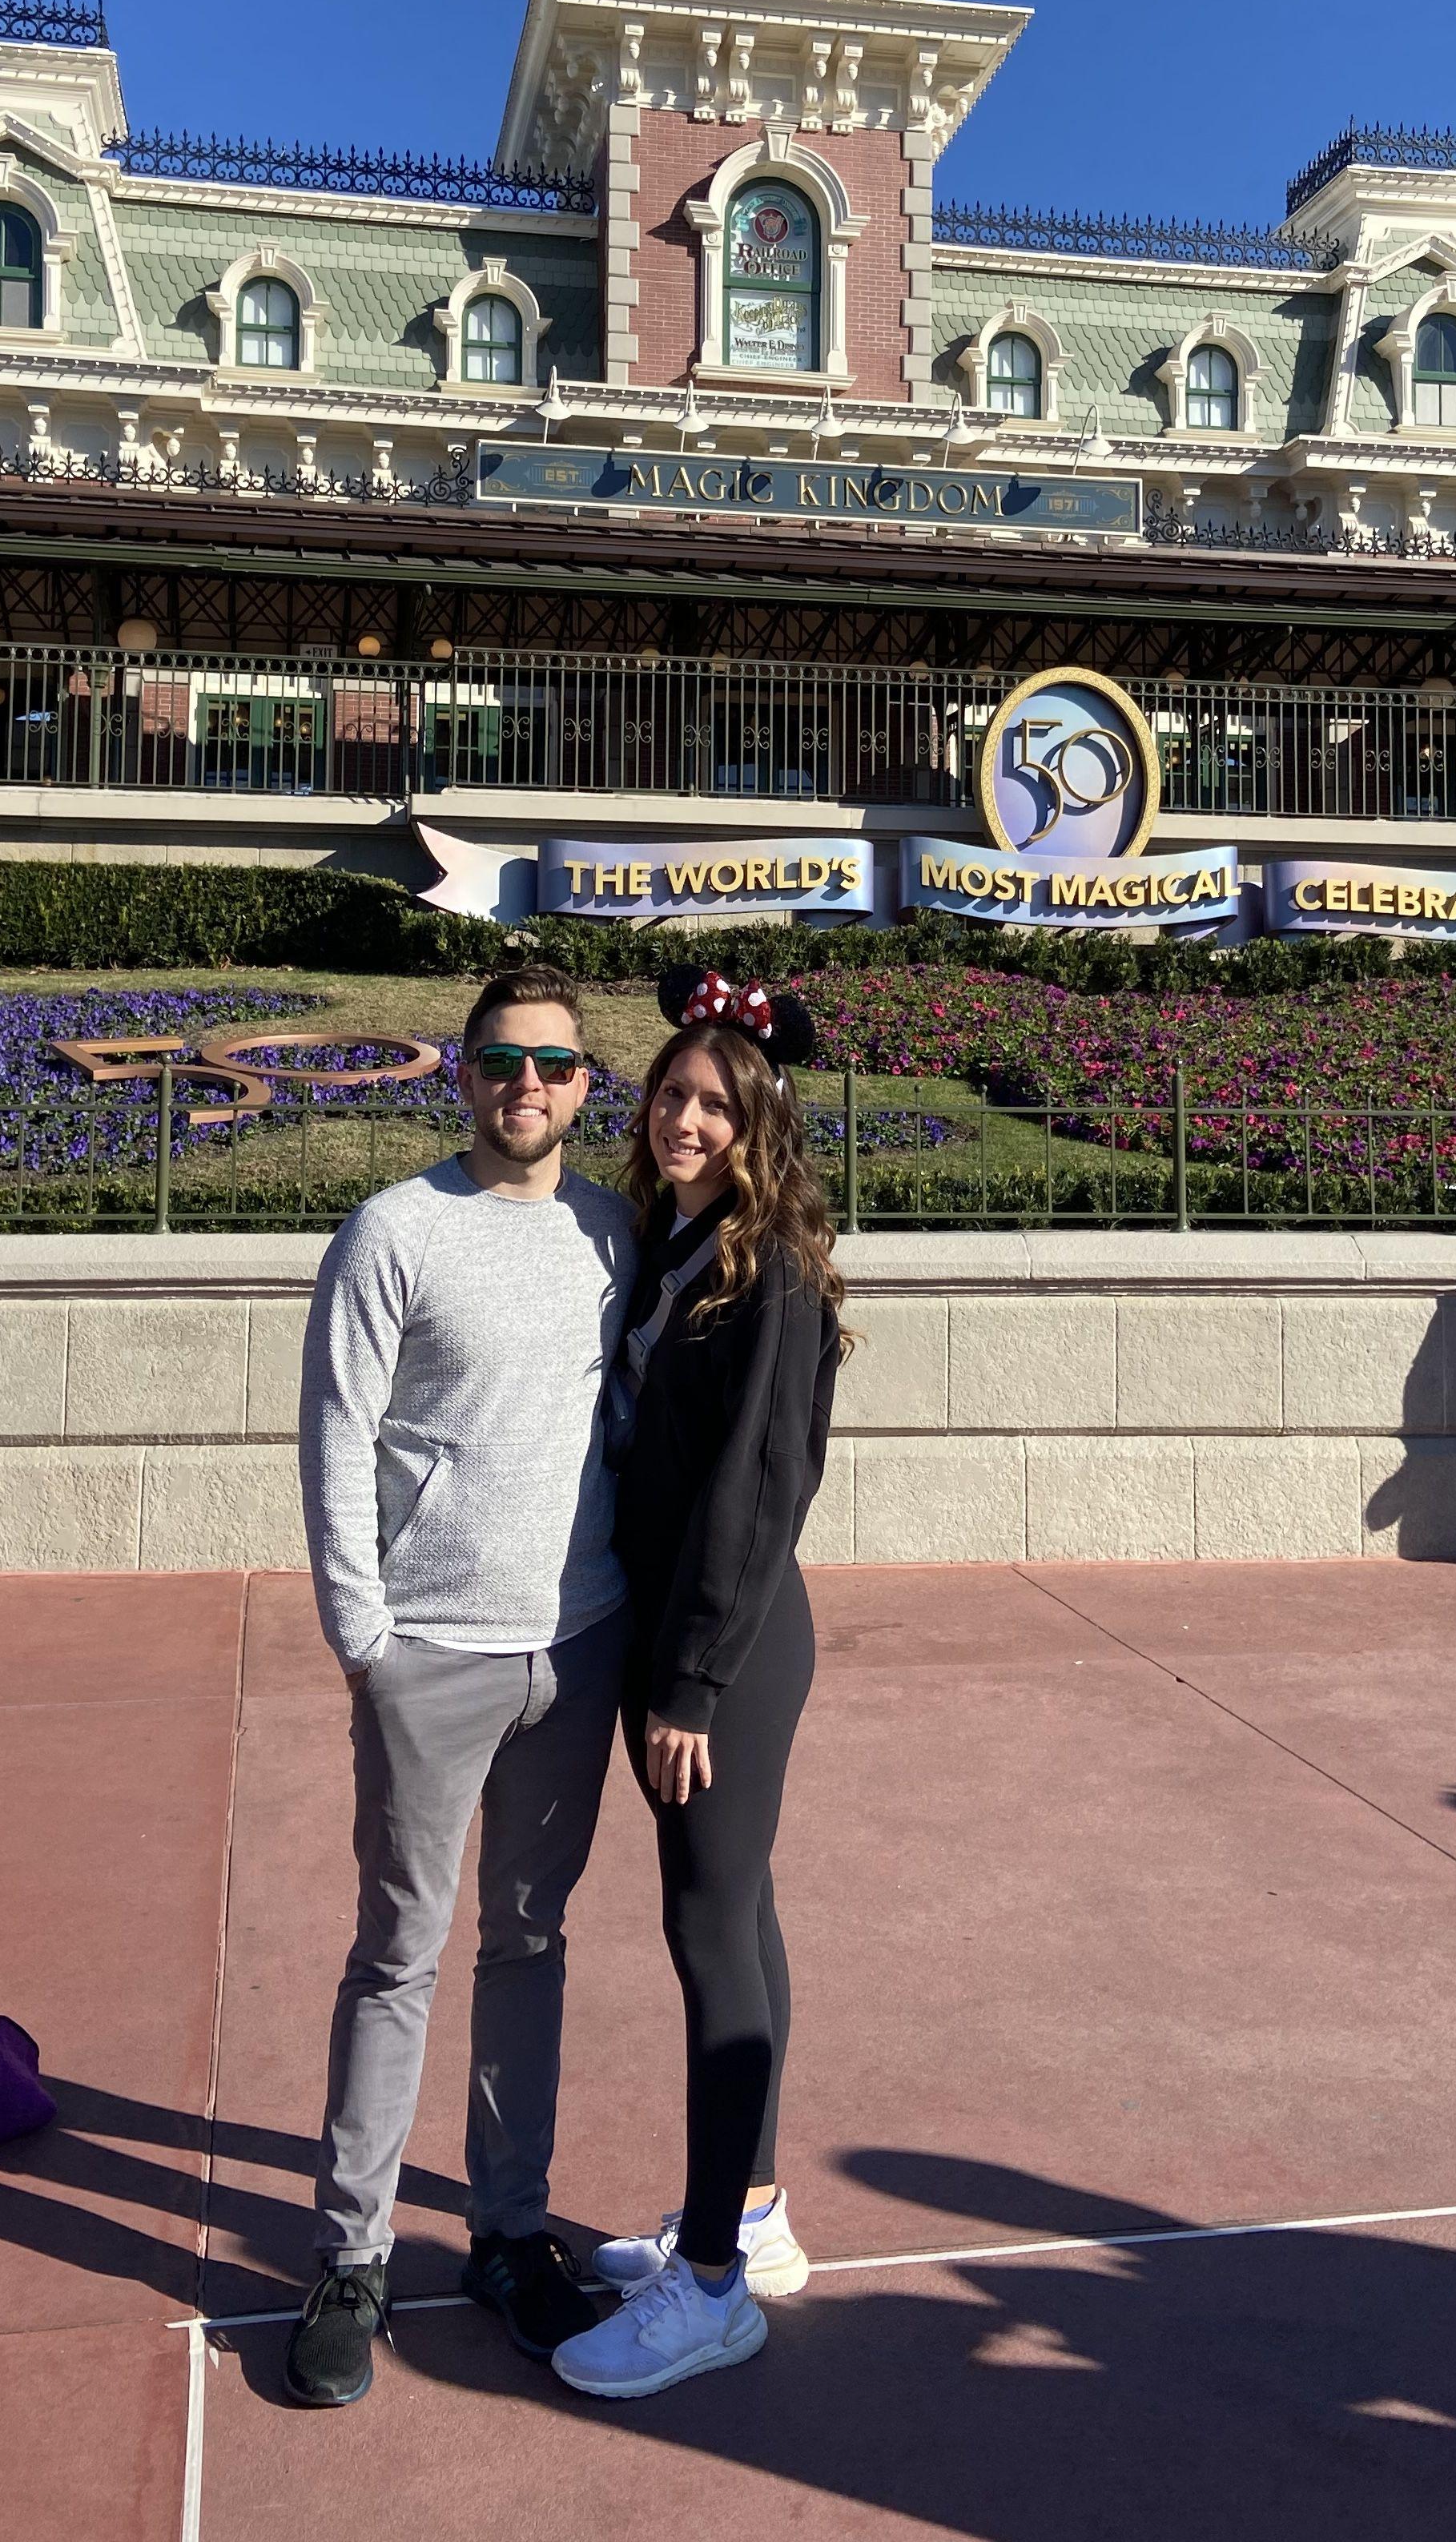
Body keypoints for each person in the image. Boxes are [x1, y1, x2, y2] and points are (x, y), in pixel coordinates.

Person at [283, 970, 640, 2412]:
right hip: (429, 1651)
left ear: (581, 1086)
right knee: (397, 1952)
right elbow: (335, 1429)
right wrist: (362, 1633)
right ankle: (351, 2255)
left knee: (530, 1945)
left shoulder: (610, 1227)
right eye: (502, 1060)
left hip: (579, 1643)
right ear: (463, 1073)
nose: (527, 1086)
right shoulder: (394, 1231)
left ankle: (506, 2228)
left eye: (554, 1066)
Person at [555, 971, 849, 2403]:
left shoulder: (771, 1266)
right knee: (740, 1913)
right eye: (671, 1092)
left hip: (719, 1646)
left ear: (756, 1125)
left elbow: (757, 1489)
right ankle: (759, 2208)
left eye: (714, 1103)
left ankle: (715, 2287)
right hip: (682, 1627)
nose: (683, 1116)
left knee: (704, 1927)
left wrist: (688, 1679)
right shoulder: (678, 1243)